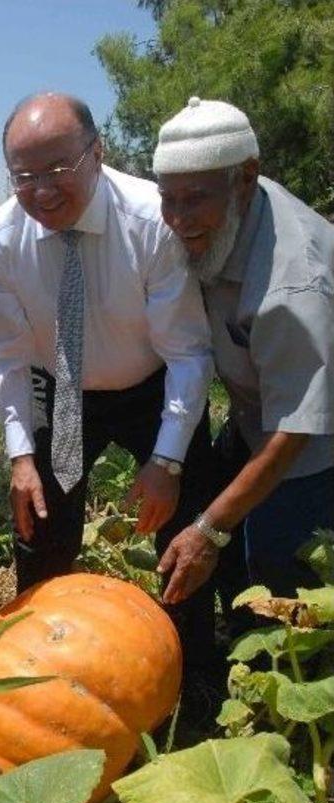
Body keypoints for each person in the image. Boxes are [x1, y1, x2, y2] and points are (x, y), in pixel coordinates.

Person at [0, 92, 216, 663]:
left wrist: (166, 463)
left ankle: (192, 661)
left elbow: (188, 354)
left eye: (59, 168)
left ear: (97, 152)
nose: (43, 189)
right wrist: (19, 457)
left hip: (155, 383)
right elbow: (5, 356)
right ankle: (36, 657)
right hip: (60, 390)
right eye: (24, 176)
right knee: (40, 525)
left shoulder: (153, 221)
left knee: (185, 519)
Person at [153, 97, 334, 623]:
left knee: (281, 562)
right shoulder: (232, 212)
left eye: (194, 201)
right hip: (257, 410)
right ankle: (236, 633)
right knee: (212, 511)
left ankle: (288, 676)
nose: (178, 220)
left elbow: (297, 429)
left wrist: (210, 529)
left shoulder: (292, 284)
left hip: (312, 437)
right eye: (169, 201)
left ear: (246, 178)